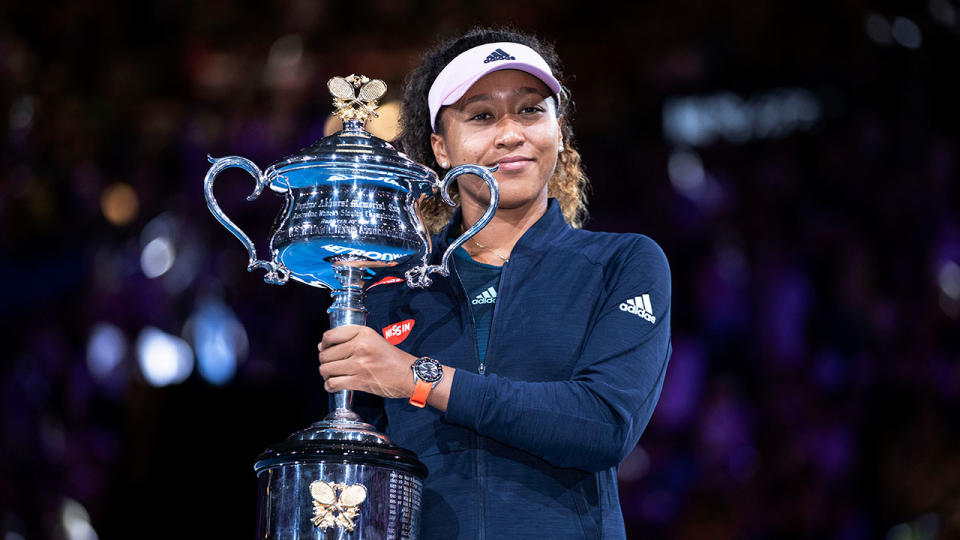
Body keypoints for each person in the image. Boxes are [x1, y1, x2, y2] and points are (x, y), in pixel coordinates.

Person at [317, 27, 672, 539]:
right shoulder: (389, 291)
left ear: (559, 130)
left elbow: (602, 426)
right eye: (482, 116)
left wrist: (419, 378)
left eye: (531, 110)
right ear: (440, 148)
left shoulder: (623, 263)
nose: (510, 133)